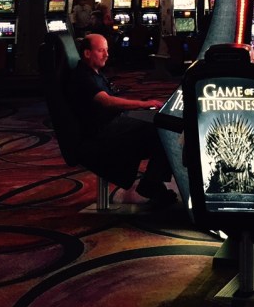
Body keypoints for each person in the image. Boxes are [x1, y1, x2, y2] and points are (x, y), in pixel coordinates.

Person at [67, 33, 174, 205]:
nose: (106, 55)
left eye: (107, 50)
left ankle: (153, 183)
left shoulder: (95, 73)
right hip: (101, 133)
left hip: (113, 124)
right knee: (160, 130)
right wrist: (143, 104)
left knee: (163, 126)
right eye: (101, 51)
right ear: (87, 53)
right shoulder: (83, 76)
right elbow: (106, 101)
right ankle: (151, 184)